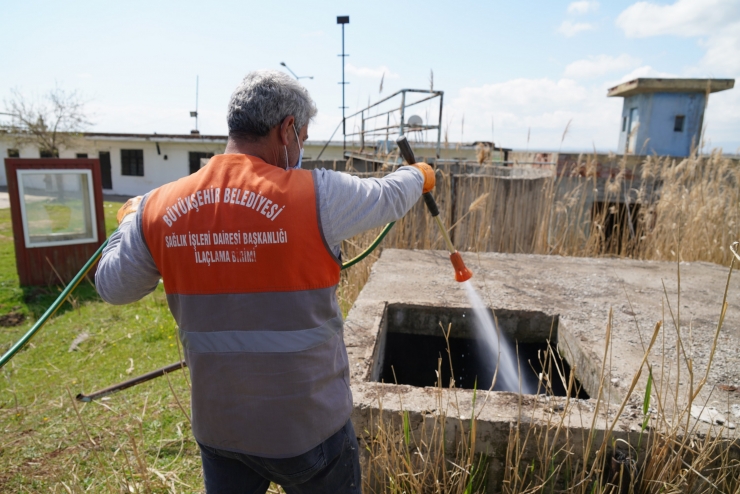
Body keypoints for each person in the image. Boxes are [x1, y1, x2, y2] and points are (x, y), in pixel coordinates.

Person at [95, 70, 435, 494]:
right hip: (310, 431)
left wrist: (129, 223)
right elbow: (387, 195)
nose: (302, 148)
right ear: (287, 129)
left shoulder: (158, 208)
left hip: (221, 431)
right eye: (303, 137)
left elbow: (113, 287)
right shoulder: (318, 195)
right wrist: (420, 175)